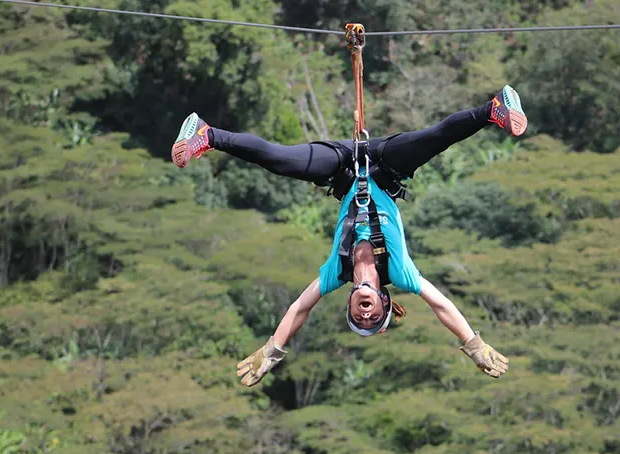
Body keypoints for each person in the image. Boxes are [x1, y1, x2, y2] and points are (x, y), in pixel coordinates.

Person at [171, 84, 527, 387]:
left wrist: (272, 352)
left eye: (360, 319)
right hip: (387, 164)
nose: (367, 315)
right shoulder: (400, 272)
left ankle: (206, 134)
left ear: (351, 305)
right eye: (374, 318)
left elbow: (300, 308)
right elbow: (440, 305)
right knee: (434, 139)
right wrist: (473, 345)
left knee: (279, 160)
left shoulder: (336, 273)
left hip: (341, 168)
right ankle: (494, 108)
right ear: (386, 302)